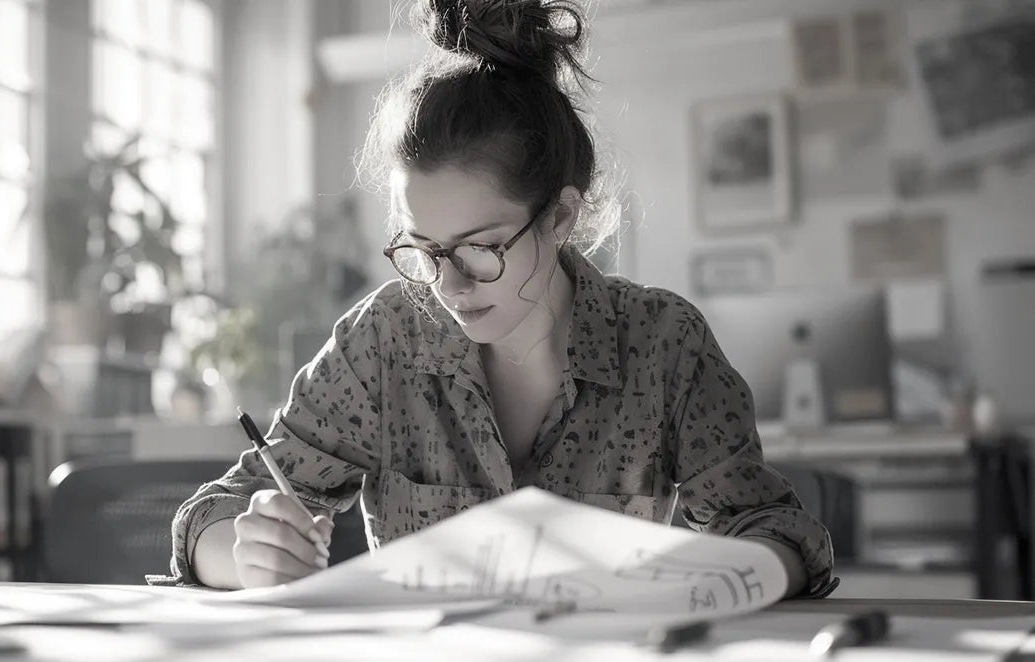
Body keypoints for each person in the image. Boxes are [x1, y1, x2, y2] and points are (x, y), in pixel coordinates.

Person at [167, 0, 836, 598]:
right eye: (423, 250)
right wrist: (244, 553)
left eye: (479, 248)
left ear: (558, 219)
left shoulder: (662, 342)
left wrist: (733, 573)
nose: (447, 285)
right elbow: (216, 515)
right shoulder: (384, 340)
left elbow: (771, 526)